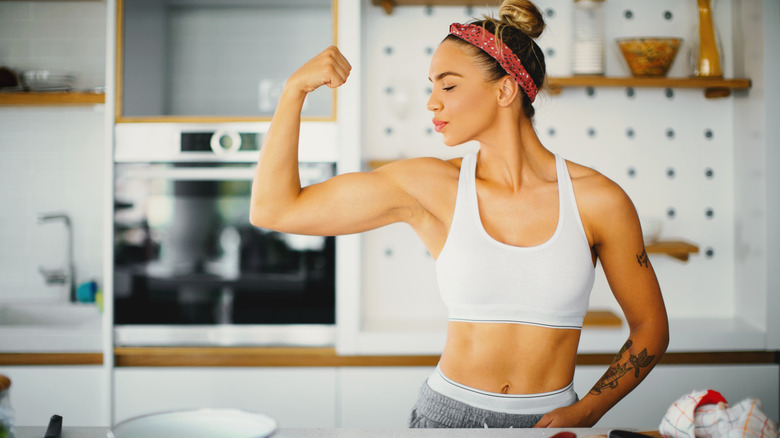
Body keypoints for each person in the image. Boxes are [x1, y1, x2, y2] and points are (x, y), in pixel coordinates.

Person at [249, 0, 669, 429]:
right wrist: (293, 92)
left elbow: (650, 328)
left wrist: (586, 411)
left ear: (505, 91)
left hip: (553, 424)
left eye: (447, 87)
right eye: (431, 87)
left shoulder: (599, 200)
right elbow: (274, 209)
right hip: (446, 420)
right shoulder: (430, 187)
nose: (431, 103)